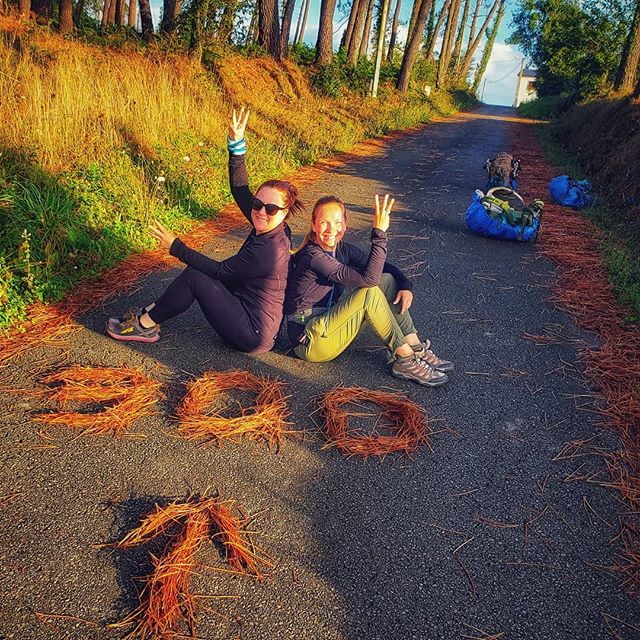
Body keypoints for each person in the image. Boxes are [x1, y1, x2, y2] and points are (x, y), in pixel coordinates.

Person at [107, 107, 304, 353]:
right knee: (199, 273)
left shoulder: (268, 251)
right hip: (245, 307)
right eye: (258, 204)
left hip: (253, 334)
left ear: (284, 212)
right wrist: (236, 145)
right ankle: (152, 312)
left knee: (196, 276)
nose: (261, 211)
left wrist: (175, 247)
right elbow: (241, 190)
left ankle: (143, 324)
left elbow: (220, 271)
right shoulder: (272, 226)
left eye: (271, 208)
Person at [283, 194, 453, 386]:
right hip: (309, 342)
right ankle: (404, 358)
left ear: (345, 225)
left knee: (387, 280)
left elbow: (384, 270)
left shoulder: (342, 249)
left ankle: (414, 345)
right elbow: (369, 280)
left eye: (338, 222)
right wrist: (379, 234)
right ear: (313, 225)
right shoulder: (313, 255)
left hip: (328, 326)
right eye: (324, 222)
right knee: (369, 291)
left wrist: (405, 286)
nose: (331, 229)